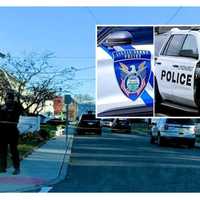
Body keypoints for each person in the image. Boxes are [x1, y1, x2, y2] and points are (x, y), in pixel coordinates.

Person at [0, 90, 23, 175]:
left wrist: (16, 102)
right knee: (2, 151)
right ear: (5, 99)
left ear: (13, 99)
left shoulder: (16, 107)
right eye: (7, 99)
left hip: (13, 131)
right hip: (2, 132)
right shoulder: (2, 107)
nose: (9, 100)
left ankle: (17, 168)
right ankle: (2, 167)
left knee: (14, 151)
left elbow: (21, 110)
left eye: (11, 99)